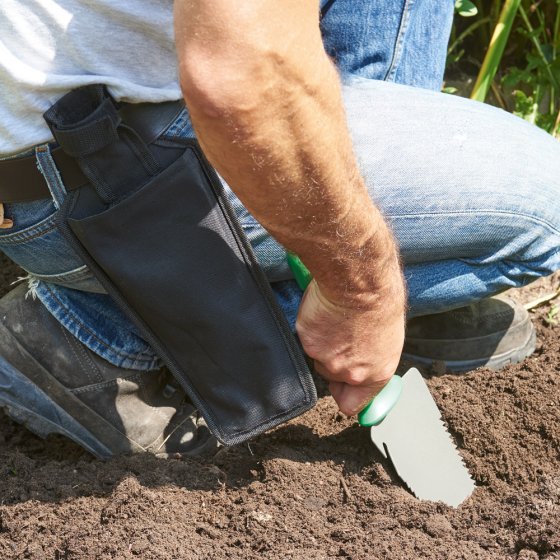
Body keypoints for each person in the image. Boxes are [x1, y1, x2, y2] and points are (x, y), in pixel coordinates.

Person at [0, 0, 558, 457]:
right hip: (101, 175)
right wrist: (362, 291)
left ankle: (377, 282)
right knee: (548, 204)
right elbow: (238, 80)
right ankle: (94, 330)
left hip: (76, 148)